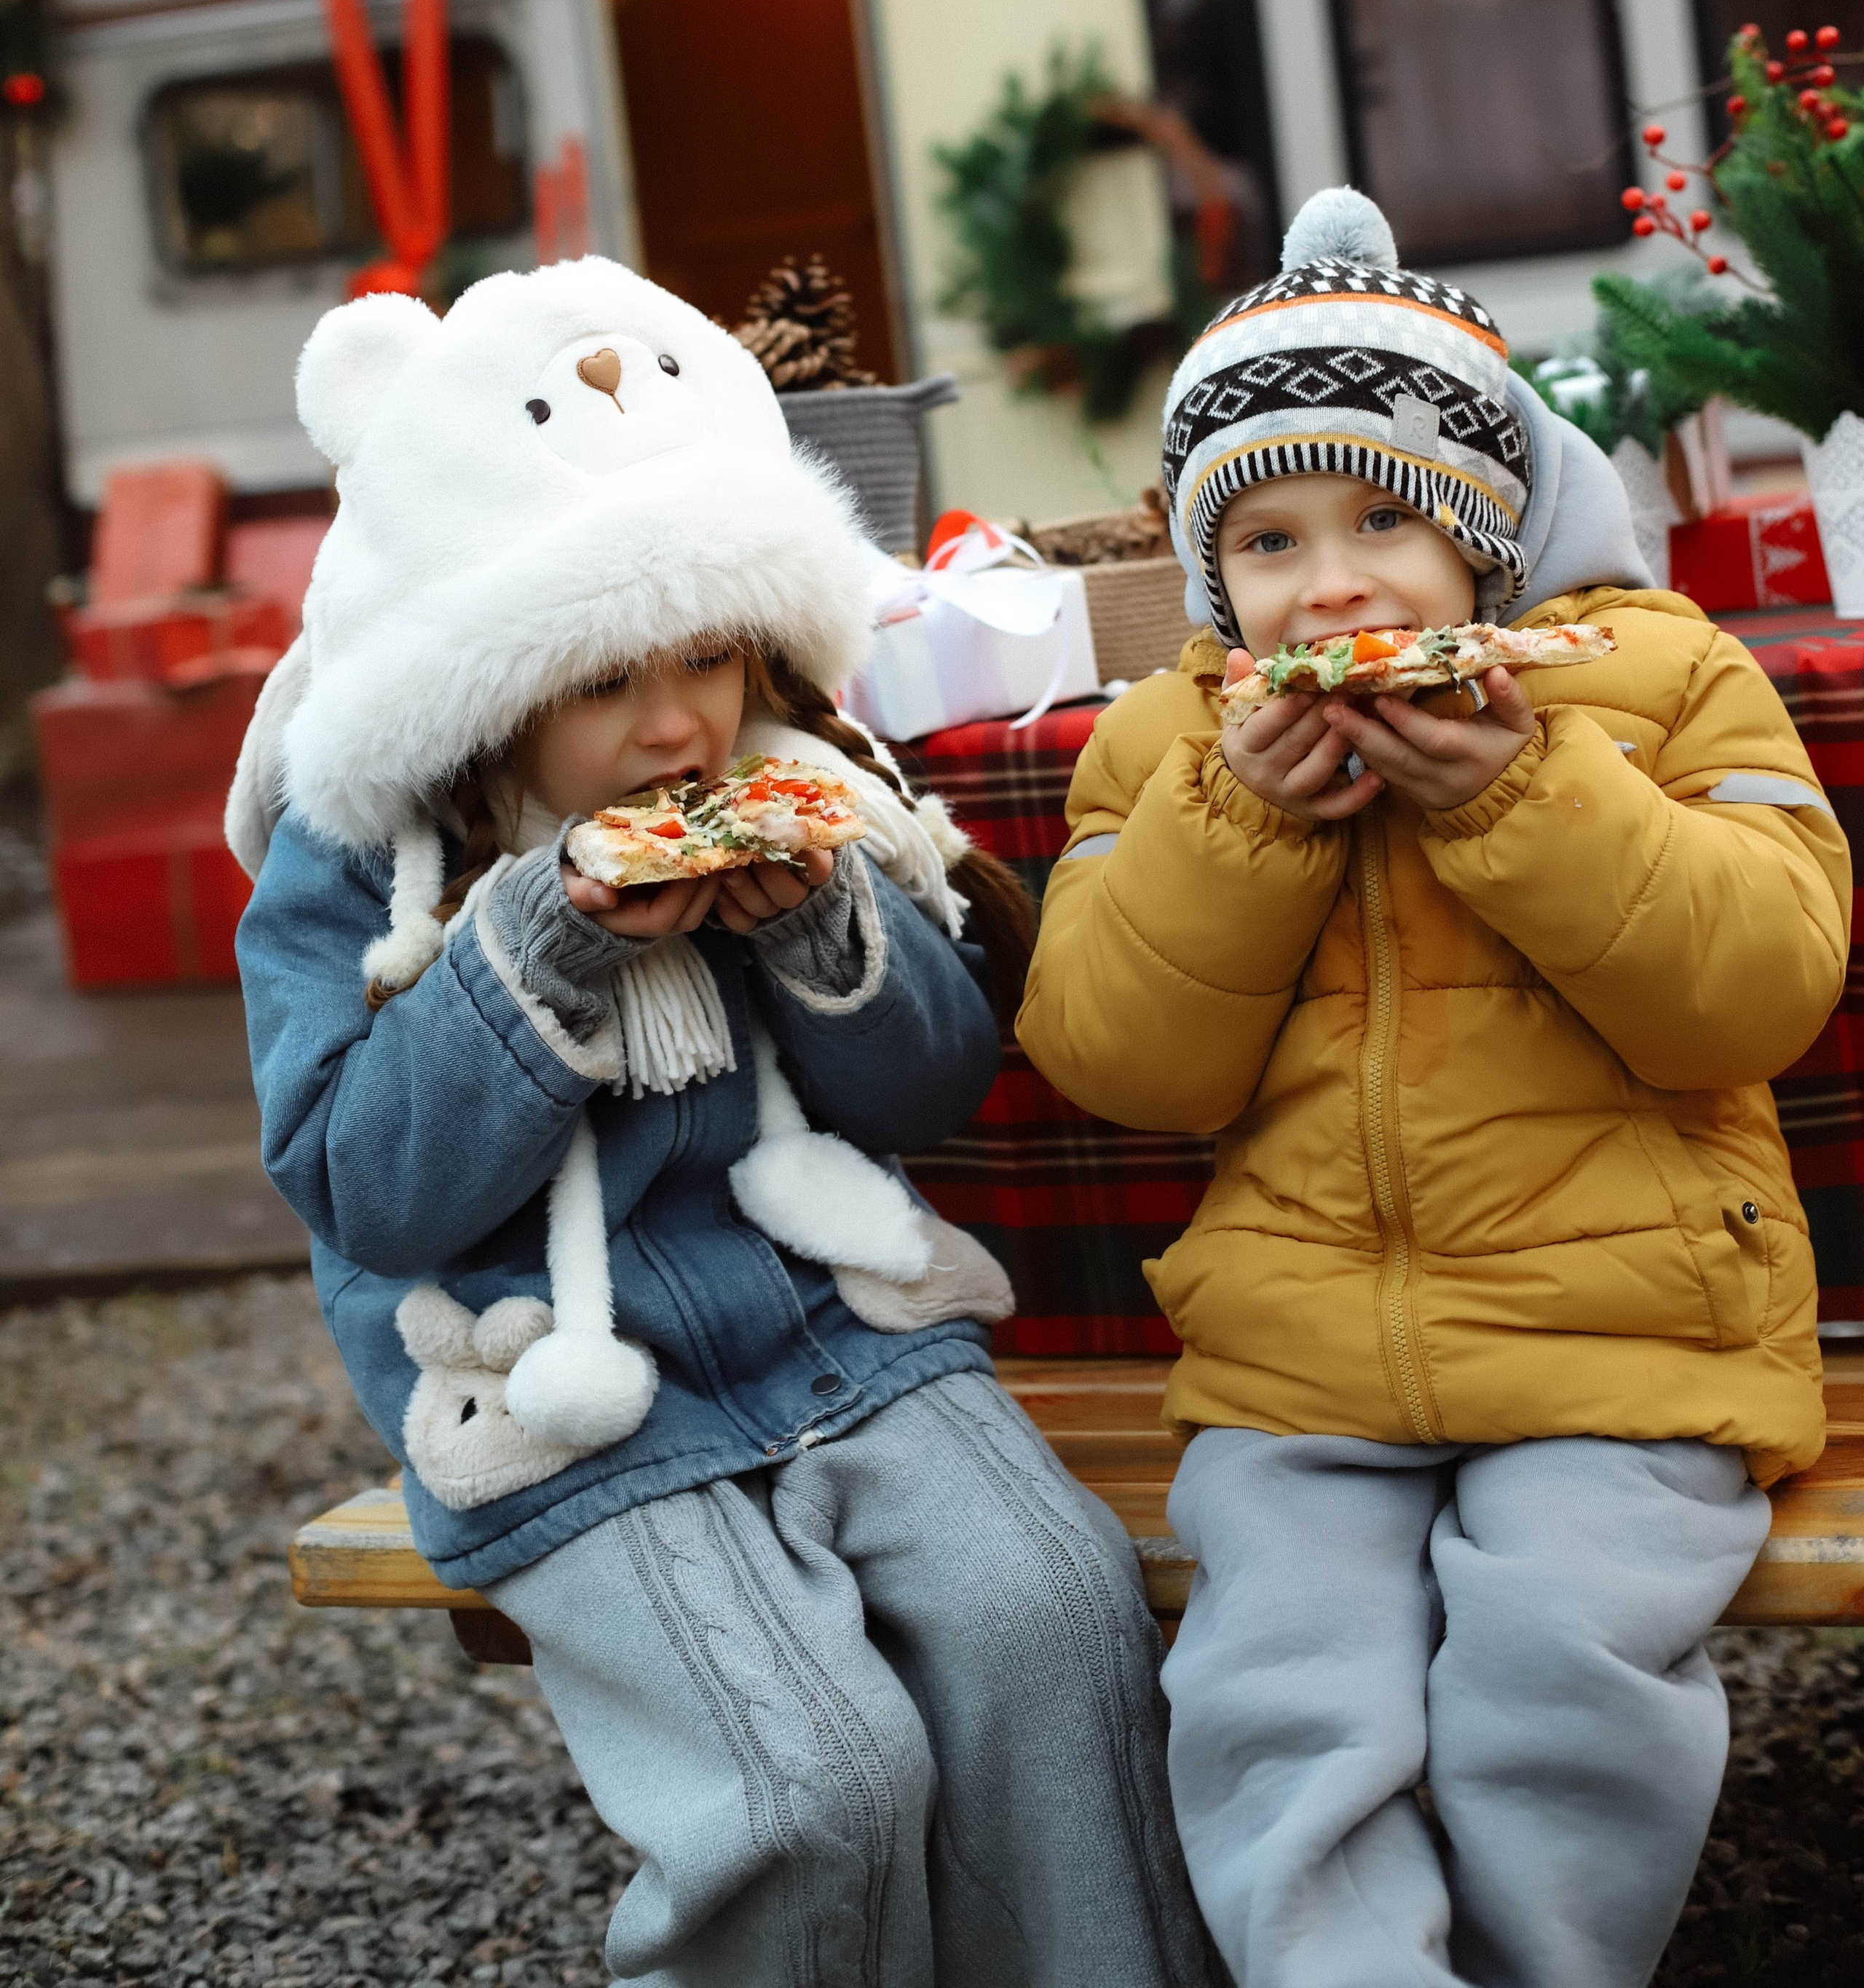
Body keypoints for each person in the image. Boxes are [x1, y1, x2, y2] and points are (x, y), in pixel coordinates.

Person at [230, 258, 1213, 1988]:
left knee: (1054, 1623)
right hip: (555, 1382)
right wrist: (531, 953)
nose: (678, 721)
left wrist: (822, 934)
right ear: (487, 676)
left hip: (837, 1330)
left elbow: (929, 1091)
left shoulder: (799, 786)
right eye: (606, 678)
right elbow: (365, 1191)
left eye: (707, 654)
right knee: (812, 1779)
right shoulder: (366, 860)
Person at [1018, 186, 1847, 1988]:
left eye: (1384, 519)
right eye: (1266, 540)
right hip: (1298, 1365)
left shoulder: (1657, 676)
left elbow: (1759, 990)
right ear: (1208, 574)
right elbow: (1115, 1057)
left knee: (1558, 1676)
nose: (1327, 585)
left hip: (1625, 1339)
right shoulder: (1164, 747)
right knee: (1275, 1688)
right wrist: (1236, 831)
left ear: (1485, 530)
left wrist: (1519, 796)